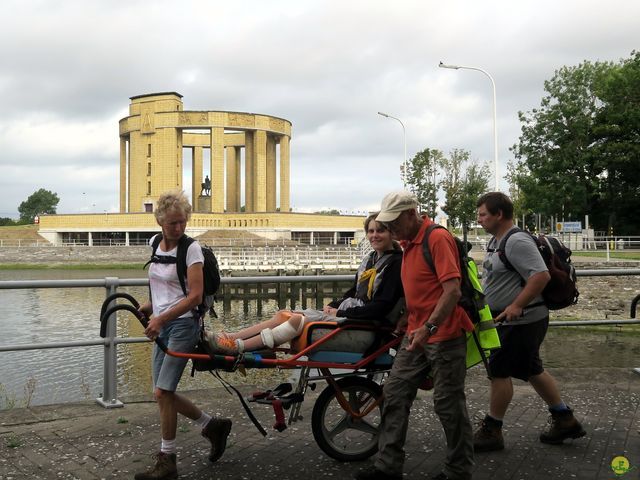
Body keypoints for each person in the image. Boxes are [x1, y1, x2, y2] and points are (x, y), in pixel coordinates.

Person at [355, 191, 474, 480]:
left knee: (448, 404)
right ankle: (387, 467)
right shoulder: (408, 243)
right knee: (394, 394)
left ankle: (458, 471)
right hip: (416, 333)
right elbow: (419, 289)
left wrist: (429, 327)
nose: (390, 229)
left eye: (393, 222)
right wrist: (407, 319)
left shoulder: (436, 239)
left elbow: (452, 291)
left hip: (443, 334)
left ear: (411, 214)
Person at [473, 192, 586, 452]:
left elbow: (540, 276)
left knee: (499, 371)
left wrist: (516, 305)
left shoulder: (516, 241)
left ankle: (492, 431)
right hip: (514, 319)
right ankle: (564, 419)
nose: (479, 219)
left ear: (498, 214)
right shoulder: (497, 240)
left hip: (521, 320)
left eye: (483, 214)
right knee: (532, 369)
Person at [135, 190, 232, 480]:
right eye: (172, 223)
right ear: (160, 222)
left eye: (182, 222)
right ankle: (211, 425)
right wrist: (151, 306)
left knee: (163, 392)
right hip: (164, 323)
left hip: (184, 324)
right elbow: (163, 285)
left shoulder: (192, 249)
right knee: (161, 393)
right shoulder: (155, 244)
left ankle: (168, 462)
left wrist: (162, 317)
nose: (178, 228)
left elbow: (194, 296)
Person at [206, 213, 404, 355]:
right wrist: (335, 305)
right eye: (370, 231)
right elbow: (354, 291)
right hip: (353, 314)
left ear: (391, 234)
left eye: (380, 231)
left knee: (295, 321)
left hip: (365, 324)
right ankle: (232, 337)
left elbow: (382, 306)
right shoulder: (370, 259)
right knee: (283, 314)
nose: (374, 235)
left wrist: (341, 313)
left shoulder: (394, 264)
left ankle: (239, 347)